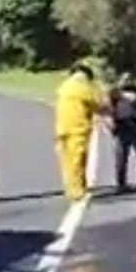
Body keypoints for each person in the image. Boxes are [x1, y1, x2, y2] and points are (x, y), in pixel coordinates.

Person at [55, 62, 108, 202]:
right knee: (77, 160)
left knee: (66, 160)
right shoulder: (83, 87)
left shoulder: (64, 86)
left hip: (62, 128)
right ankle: (77, 191)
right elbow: (99, 105)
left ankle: (71, 188)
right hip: (77, 129)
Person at [109, 72, 136, 192]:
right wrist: (112, 125)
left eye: (129, 79)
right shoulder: (114, 92)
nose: (127, 81)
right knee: (121, 157)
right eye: (124, 79)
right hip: (122, 126)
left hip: (135, 124)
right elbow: (108, 109)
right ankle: (121, 184)